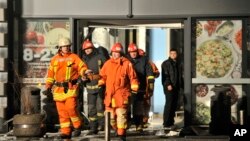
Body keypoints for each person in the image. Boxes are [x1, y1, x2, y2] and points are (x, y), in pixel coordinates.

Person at [43, 37, 89, 139]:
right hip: (58, 90)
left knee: (71, 108)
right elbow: (50, 75)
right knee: (62, 112)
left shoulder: (74, 57)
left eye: (68, 46)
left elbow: (82, 67)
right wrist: (47, 87)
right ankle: (66, 132)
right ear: (60, 47)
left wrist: (85, 72)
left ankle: (77, 126)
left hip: (71, 88)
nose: (66, 48)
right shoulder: (54, 59)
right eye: (64, 46)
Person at [98, 43, 139, 141]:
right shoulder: (107, 64)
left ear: (121, 53)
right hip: (109, 96)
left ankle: (122, 135)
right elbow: (102, 77)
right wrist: (101, 86)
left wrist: (134, 91)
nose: (116, 54)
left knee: (121, 116)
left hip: (121, 95)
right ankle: (117, 130)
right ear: (112, 52)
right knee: (111, 118)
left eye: (118, 52)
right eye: (114, 52)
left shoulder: (127, 63)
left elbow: (133, 78)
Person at [81, 39, 109, 135]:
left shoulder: (100, 57)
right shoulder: (83, 59)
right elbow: (80, 72)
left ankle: (102, 125)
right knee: (91, 108)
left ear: (92, 48)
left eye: (89, 48)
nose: (87, 50)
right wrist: (83, 78)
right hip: (89, 87)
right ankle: (93, 127)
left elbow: (107, 69)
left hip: (100, 85)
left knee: (100, 107)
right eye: (86, 49)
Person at [126, 43, 155, 132]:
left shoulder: (144, 60)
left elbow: (149, 72)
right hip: (127, 88)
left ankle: (138, 124)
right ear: (129, 52)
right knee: (125, 106)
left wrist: (150, 83)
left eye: (135, 52)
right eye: (131, 52)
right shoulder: (125, 60)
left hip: (140, 87)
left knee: (138, 107)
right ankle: (126, 123)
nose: (133, 53)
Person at [161, 48, 183, 130]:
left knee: (174, 105)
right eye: (172, 53)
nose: (173, 55)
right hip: (169, 87)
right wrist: (168, 84)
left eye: (175, 53)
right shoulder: (166, 63)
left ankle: (171, 122)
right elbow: (165, 75)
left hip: (176, 87)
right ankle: (166, 123)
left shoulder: (177, 63)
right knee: (169, 104)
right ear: (169, 54)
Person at [137, 48, 160, 128]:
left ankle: (144, 120)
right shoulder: (136, 63)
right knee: (140, 104)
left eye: (142, 55)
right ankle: (139, 121)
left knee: (146, 104)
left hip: (148, 87)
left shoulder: (149, 63)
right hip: (140, 87)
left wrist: (151, 74)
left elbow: (157, 73)